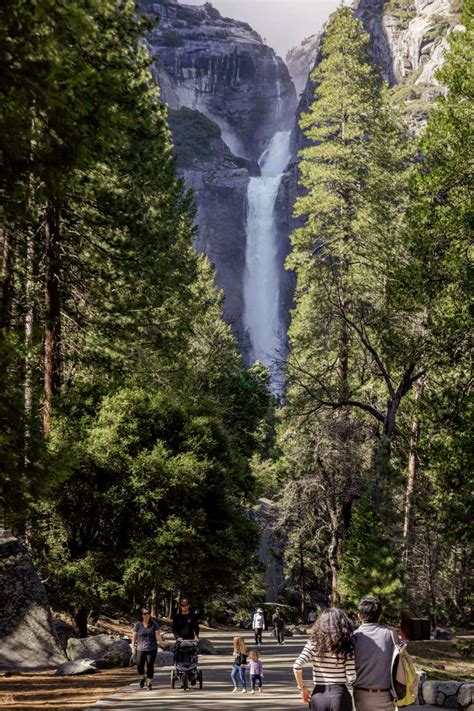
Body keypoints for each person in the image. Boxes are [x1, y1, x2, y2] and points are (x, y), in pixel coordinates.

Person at [293, 607, 356, 711]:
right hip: (339, 695)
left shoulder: (313, 643)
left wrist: (302, 688)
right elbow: (351, 677)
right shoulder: (346, 645)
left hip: (318, 695)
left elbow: (296, 666)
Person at [353, 597, 399, 711]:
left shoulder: (353, 636)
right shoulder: (390, 634)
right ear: (380, 616)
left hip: (361, 694)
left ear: (359, 616)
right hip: (385, 694)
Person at [132, 608, 165, 690]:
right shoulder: (138, 624)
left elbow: (157, 635)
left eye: (148, 613)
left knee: (150, 665)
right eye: (145, 613)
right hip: (140, 648)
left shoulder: (154, 624)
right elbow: (134, 637)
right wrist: (133, 647)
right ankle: (142, 677)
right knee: (139, 665)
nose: (147, 615)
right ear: (141, 615)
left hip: (152, 649)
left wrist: (161, 643)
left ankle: (149, 683)